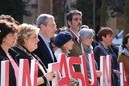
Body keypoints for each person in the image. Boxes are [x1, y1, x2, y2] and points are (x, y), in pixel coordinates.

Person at [0, 20, 18, 86]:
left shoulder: (13, 54)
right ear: (3, 38)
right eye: (11, 35)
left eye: (15, 35)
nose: (15, 38)